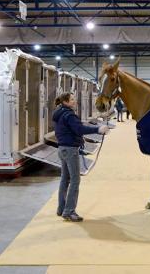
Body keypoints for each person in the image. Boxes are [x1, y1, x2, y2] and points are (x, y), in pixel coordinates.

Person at [53, 92, 109, 222]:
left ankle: (61, 208)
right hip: (70, 149)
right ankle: (69, 211)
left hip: (62, 148)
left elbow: (75, 128)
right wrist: (98, 129)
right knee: (75, 180)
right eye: (72, 99)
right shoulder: (69, 115)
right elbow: (80, 129)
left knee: (65, 179)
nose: (75, 101)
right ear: (65, 102)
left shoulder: (59, 113)